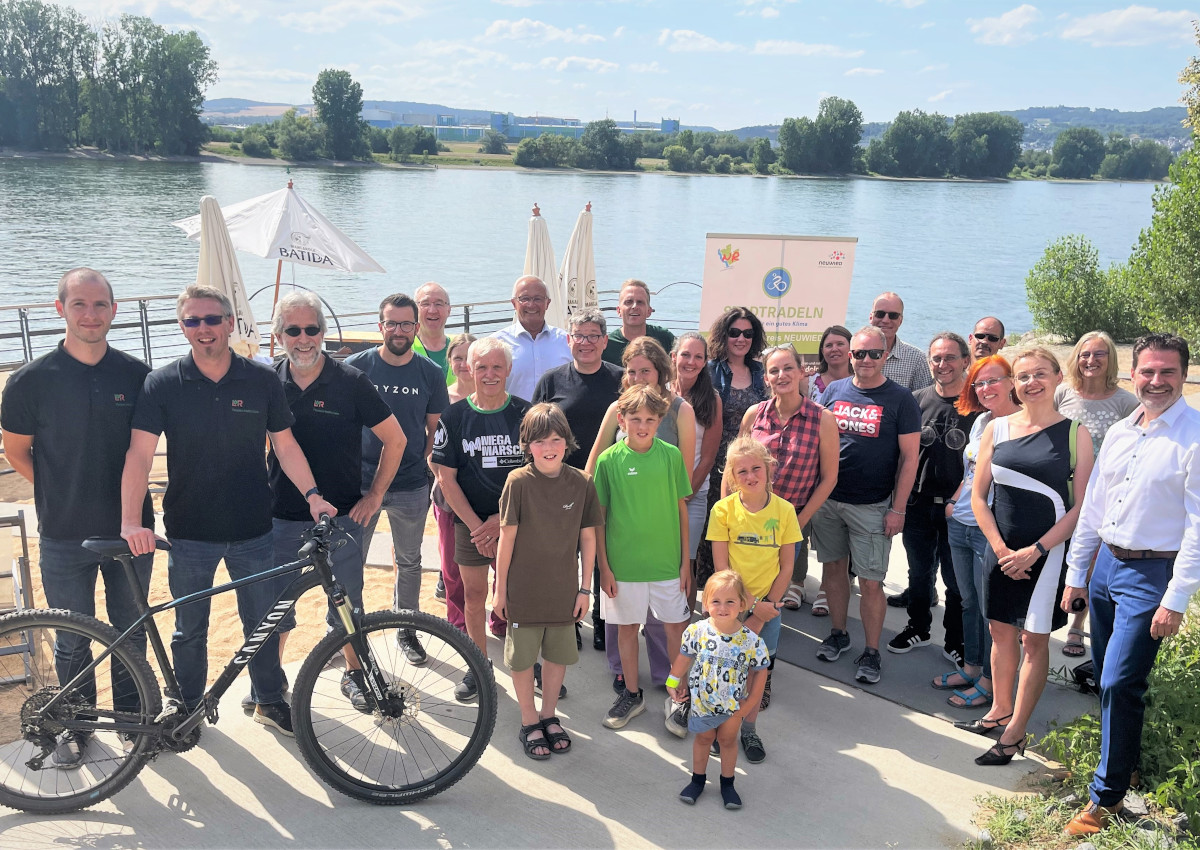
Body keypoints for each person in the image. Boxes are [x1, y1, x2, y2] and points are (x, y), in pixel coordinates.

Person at [120, 284, 337, 737]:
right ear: (182, 328)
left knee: (260, 624)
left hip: (253, 527)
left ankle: (269, 700)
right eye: (193, 321)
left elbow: (285, 443)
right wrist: (130, 521)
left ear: (230, 323)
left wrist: (313, 493)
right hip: (189, 530)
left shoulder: (260, 380)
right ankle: (186, 706)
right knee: (189, 630)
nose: (204, 329)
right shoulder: (162, 383)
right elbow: (140, 455)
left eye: (212, 319)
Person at [1, 267, 155, 768]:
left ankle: (135, 723)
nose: (90, 314)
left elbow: (144, 450)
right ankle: (77, 724)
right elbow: (18, 452)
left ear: (114, 310)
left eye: (100, 305)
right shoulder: (29, 382)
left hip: (131, 531)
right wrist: (57, 489)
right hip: (64, 532)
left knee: (131, 630)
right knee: (72, 638)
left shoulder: (137, 376)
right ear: (59, 308)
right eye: (79, 304)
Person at [1060, 334, 1199, 836]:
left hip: (1152, 575)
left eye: (1167, 372)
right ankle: (1125, 762)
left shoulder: (1194, 436)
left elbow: (1198, 527)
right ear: (1132, 375)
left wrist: (1175, 599)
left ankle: (1106, 796)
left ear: (1183, 375)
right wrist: (1078, 574)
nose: (1156, 381)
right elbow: (1094, 507)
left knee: (1119, 679)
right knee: (1113, 678)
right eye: (1147, 372)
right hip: (1105, 568)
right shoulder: (1121, 430)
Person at [265, 291, 405, 713]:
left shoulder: (351, 382)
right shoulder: (269, 383)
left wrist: (375, 495)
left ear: (323, 333)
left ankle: (354, 675)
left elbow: (396, 440)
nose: (304, 338)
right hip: (281, 517)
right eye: (293, 330)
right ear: (278, 336)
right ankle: (270, 688)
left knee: (347, 604)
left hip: (343, 517)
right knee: (277, 608)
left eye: (312, 329)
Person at [969, 347, 1094, 766]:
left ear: (1059, 378)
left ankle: (1016, 732)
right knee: (1000, 633)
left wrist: (1036, 551)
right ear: (1013, 384)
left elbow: (1081, 507)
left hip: (1047, 555)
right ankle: (999, 710)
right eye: (1022, 377)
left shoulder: (1077, 433)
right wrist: (1003, 550)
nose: (1031, 383)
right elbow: (979, 497)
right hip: (1000, 551)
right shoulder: (997, 428)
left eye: (1040, 374)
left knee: (1033, 641)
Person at [812, 326, 921, 685]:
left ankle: (871, 651)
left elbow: (909, 459)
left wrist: (898, 509)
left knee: (872, 583)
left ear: (886, 355)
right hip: (829, 502)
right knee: (833, 572)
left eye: (875, 353)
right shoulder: (834, 390)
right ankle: (839, 633)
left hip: (873, 507)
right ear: (850, 356)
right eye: (860, 354)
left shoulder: (901, 399)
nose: (867, 360)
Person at [345, 293, 450, 666]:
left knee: (409, 561)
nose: (400, 331)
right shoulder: (356, 368)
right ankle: (342, 633)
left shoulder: (430, 373)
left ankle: (406, 629)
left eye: (407, 324)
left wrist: (422, 465)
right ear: (381, 327)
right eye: (392, 323)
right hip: (360, 484)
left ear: (417, 328)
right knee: (348, 562)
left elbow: (436, 429)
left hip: (409, 485)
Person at [586, 336, 695, 691]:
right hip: (623, 533)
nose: (637, 377)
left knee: (667, 621)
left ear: (660, 371)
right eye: (631, 371)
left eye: (644, 370)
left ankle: (670, 680)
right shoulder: (615, 414)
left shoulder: (679, 411)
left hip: (661, 528)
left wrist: (683, 558)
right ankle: (625, 677)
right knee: (625, 621)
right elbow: (595, 466)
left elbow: (685, 481)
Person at [495, 403, 602, 760]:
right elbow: (506, 538)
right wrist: (500, 591)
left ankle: (549, 714)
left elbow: (589, 538)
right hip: (523, 590)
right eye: (540, 441)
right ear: (527, 445)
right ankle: (528, 719)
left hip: (563, 590)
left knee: (557, 657)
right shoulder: (518, 482)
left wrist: (585, 587)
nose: (549, 447)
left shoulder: (582, 483)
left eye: (556, 439)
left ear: (567, 441)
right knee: (523, 658)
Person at [432, 337, 531, 702]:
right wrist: (478, 526)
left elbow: (537, 475)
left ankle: (525, 662)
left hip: (517, 523)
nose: (489, 374)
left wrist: (499, 520)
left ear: (508, 370)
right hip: (470, 525)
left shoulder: (526, 415)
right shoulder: (454, 416)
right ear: (468, 370)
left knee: (519, 597)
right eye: (481, 367)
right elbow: (446, 478)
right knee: (473, 596)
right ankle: (479, 665)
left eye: (497, 367)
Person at [700, 436, 801, 764]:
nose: (750, 476)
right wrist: (750, 607)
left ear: (769, 468)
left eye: (756, 468)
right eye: (741, 471)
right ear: (730, 476)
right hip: (732, 607)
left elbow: (787, 565)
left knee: (758, 673)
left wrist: (766, 607)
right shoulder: (722, 510)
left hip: (770, 606)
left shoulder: (785, 511)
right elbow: (721, 568)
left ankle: (749, 729)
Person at [533, 308, 624, 650]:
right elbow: (535, 433)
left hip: (609, 483)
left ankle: (603, 620)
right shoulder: (551, 381)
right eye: (578, 336)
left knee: (603, 554)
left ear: (604, 341)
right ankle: (567, 619)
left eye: (592, 336)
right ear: (569, 340)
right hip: (561, 483)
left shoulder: (620, 380)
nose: (585, 343)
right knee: (563, 555)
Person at [887, 334, 975, 670]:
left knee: (956, 580)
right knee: (919, 572)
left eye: (951, 357)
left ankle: (955, 640)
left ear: (965, 360)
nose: (943, 365)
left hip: (961, 510)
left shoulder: (978, 405)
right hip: (919, 502)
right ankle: (918, 627)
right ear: (929, 361)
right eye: (936, 358)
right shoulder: (914, 401)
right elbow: (900, 455)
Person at [1055, 330, 1140, 658]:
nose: (1091, 360)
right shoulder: (1062, 393)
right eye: (1085, 354)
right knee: (1054, 555)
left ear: (1111, 360)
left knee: (1088, 559)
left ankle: (1077, 624)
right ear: (1076, 357)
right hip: (1058, 489)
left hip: (1100, 495)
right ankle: (1041, 619)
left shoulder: (1126, 402)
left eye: (1099, 354)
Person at [943, 355, 1021, 712]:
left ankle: (990, 684)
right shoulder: (982, 422)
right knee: (967, 601)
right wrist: (955, 500)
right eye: (979, 383)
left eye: (994, 380)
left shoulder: (1022, 426)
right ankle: (972, 667)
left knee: (994, 613)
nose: (986, 388)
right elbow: (973, 471)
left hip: (990, 533)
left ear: (1011, 382)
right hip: (960, 523)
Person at [739, 344, 839, 618]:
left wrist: (800, 521)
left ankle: (765, 652)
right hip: (750, 516)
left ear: (801, 373)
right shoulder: (754, 414)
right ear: (766, 378)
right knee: (746, 586)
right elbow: (735, 466)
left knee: (774, 595)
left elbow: (829, 478)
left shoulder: (823, 419)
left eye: (788, 368)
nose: (781, 375)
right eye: (774, 370)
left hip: (792, 519)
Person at [668, 570, 770, 811]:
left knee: (727, 740)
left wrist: (749, 704)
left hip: (734, 706)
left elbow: (761, 674)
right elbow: (683, 658)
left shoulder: (751, 641)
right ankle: (697, 780)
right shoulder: (697, 631)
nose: (722, 608)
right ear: (705, 603)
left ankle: (727, 784)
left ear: (742, 604)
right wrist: (672, 682)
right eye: (716, 601)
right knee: (703, 739)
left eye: (730, 602)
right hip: (702, 702)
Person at [697, 307, 769, 592]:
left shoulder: (760, 371)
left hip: (750, 467)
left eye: (748, 333)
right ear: (723, 335)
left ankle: (740, 594)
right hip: (715, 464)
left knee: (743, 532)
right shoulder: (711, 370)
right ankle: (711, 595)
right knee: (711, 533)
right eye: (734, 332)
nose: (741, 338)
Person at [670, 332, 722, 610]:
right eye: (685, 354)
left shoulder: (711, 400)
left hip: (693, 497)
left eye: (698, 357)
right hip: (655, 497)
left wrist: (686, 490)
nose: (691, 361)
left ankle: (683, 621)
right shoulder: (658, 393)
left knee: (685, 564)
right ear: (673, 357)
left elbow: (709, 456)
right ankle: (658, 620)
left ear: (705, 362)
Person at [434, 333, 479, 632]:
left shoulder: (495, 397)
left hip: (487, 492)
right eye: (457, 358)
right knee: (451, 566)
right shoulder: (440, 400)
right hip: (449, 494)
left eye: (469, 357)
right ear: (449, 362)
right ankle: (458, 622)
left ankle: (499, 619)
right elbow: (431, 447)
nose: (463, 364)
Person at [493, 275, 572, 401]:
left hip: (559, 419)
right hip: (513, 419)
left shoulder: (566, 342)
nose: (531, 305)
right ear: (514, 303)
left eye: (538, 299)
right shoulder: (496, 344)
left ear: (547, 303)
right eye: (525, 299)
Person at [601, 279, 676, 365]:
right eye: (629, 302)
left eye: (640, 302)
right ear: (618, 310)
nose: (634, 306)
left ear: (649, 311)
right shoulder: (607, 345)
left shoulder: (664, 338)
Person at [868, 292, 932, 391]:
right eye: (880, 314)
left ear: (900, 321)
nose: (885, 320)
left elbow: (924, 399)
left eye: (893, 315)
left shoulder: (917, 359)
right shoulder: (855, 353)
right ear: (871, 317)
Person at [412, 281, 454, 385]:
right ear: (415, 310)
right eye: (425, 304)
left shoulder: (461, 348)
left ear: (448, 310)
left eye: (438, 304)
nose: (432, 310)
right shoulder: (405, 347)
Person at [809, 324, 852, 401]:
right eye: (829, 345)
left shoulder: (863, 382)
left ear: (851, 347)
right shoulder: (809, 383)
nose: (834, 349)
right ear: (822, 351)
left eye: (840, 344)